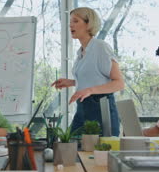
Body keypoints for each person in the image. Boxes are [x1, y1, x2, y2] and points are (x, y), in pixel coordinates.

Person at [51, 7, 125, 136]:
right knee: (75, 146)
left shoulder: (100, 47)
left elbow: (119, 83)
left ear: (88, 24)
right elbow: (94, 78)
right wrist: (72, 82)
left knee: (98, 152)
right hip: (83, 106)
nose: (70, 25)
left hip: (101, 107)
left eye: (76, 21)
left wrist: (89, 91)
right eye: (70, 22)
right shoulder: (81, 52)